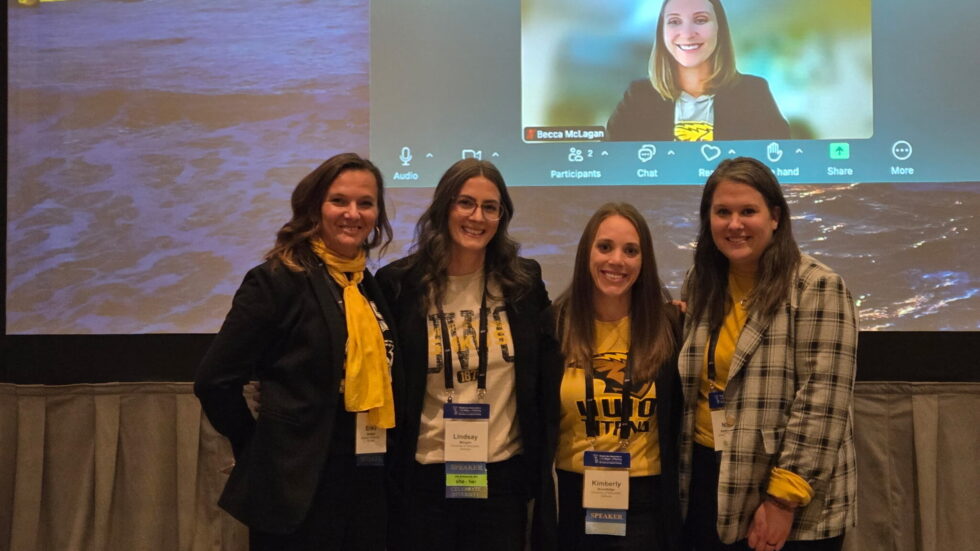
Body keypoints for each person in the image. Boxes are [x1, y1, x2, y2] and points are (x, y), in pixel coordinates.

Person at [194, 153, 400, 551]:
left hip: (365, 481)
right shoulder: (276, 281)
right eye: (339, 201)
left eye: (366, 203)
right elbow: (214, 381)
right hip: (298, 488)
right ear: (314, 207)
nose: (353, 213)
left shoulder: (366, 286)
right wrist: (259, 447)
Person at [376, 158, 557, 551]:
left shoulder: (524, 282)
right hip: (423, 478)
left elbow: (552, 357)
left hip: (502, 479)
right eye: (466, 203)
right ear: (444, 207)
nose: (478, 217)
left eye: (490, 207)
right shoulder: (398, 284)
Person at [678, 157, 858, 551]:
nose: (734, 224)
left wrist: (783, 499)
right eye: (722, 212)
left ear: (775, 217)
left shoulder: (817, 287)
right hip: (710, 477)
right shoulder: (701, 281)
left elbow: (823, 403)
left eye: (748, 211)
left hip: (788, 498)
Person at [550, 203, 683, 550]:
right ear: (587, 253)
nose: (617, 260)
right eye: (605, 247)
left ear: (644, 260)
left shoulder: (670, 327)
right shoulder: (554, 326)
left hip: (648, 504)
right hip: (574, 497)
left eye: (631, 251)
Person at [606, 0, 789, 142]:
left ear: (719, 29)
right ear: (662, 32)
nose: (687, 34)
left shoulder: (752, 92)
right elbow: (610, 163)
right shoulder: (639, 95)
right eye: (674, 21)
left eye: (700, 20)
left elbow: (781, 164)